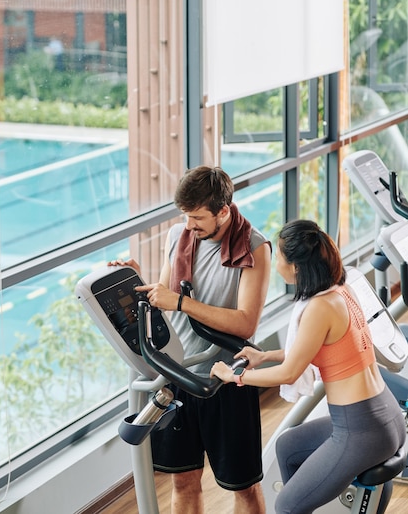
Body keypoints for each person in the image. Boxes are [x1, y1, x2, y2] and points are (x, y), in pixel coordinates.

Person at [211, 218, 407, 514]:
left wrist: (235, 376)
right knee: (289, 447)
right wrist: (263, 356)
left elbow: (290, 372)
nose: (276, 265)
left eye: (279, 257)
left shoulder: (319, 308)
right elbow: (313, 349)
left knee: (287, 505)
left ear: (296, 267)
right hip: (382, 414)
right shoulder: (340, 290)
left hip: (361, 428)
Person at [109, 166, 272, 514]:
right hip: (177, 372)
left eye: (197, 217)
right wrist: (138, 278)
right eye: (185, 216)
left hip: (226, 378)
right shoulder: (177, 237)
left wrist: (181, 302)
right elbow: (167, 297)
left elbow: (245, 323)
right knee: (183, 479)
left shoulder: (256, 248)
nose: (189, 226)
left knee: (242, 485)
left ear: (223, 211)